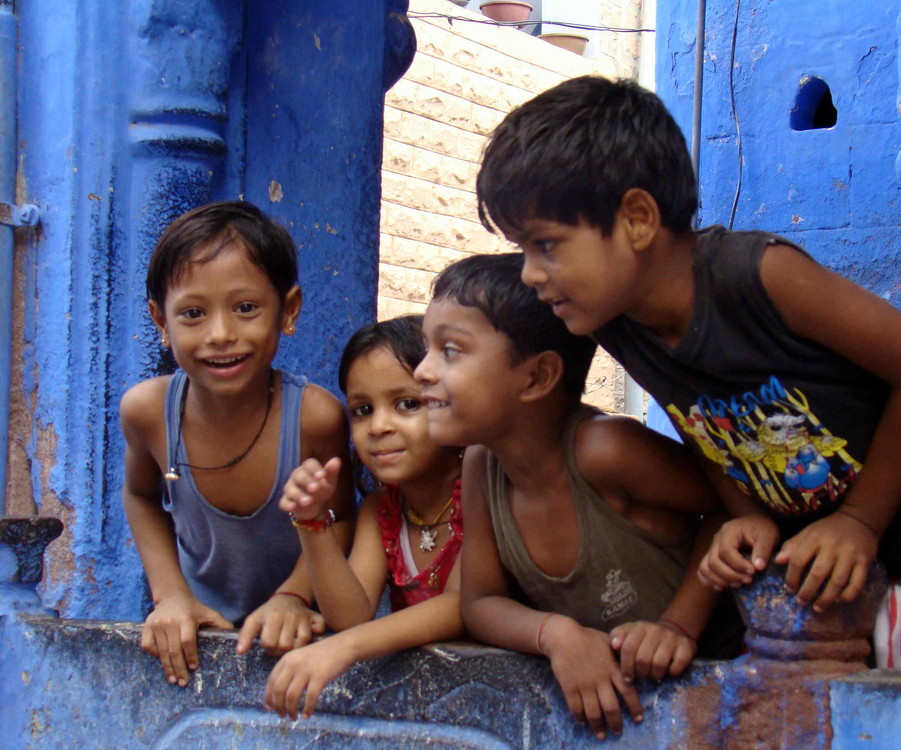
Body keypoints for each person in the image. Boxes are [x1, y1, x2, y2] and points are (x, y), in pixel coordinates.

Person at [475, 75, 901, 668]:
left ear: (637, 218)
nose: (531, 274)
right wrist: (748, 518)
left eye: (546, 245)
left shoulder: (759, 277)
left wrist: (858, 522)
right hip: (820, 584)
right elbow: (703, 426)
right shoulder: (617, 321)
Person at [414, 253, 740, 741]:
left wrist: (678, 627)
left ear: (538, 376)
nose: (421, 371)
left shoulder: (605, 450)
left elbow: (731, 506)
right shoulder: (482, 462)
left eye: (451, 351)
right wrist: (557, 636)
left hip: (726, 699)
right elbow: (480, 602)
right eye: (426, 349)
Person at [120, 200, 355, 687]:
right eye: (192, 313)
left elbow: (342, 517)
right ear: (160, 322)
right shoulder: (147, 412)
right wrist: (169, 595)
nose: (221, 334)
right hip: (196, 639)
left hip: (298, 642)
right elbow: (141, 497)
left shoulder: (314, 417)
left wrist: (295, 596)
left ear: (288, 310)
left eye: (245, 308)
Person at [265, 316, 465, 720]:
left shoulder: (481, 495)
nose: (379, 426)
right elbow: (351, 614)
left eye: (407, 404)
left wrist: (345, 648)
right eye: (362, 410)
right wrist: (313, 521)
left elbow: (461, 606)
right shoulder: (383, 509)